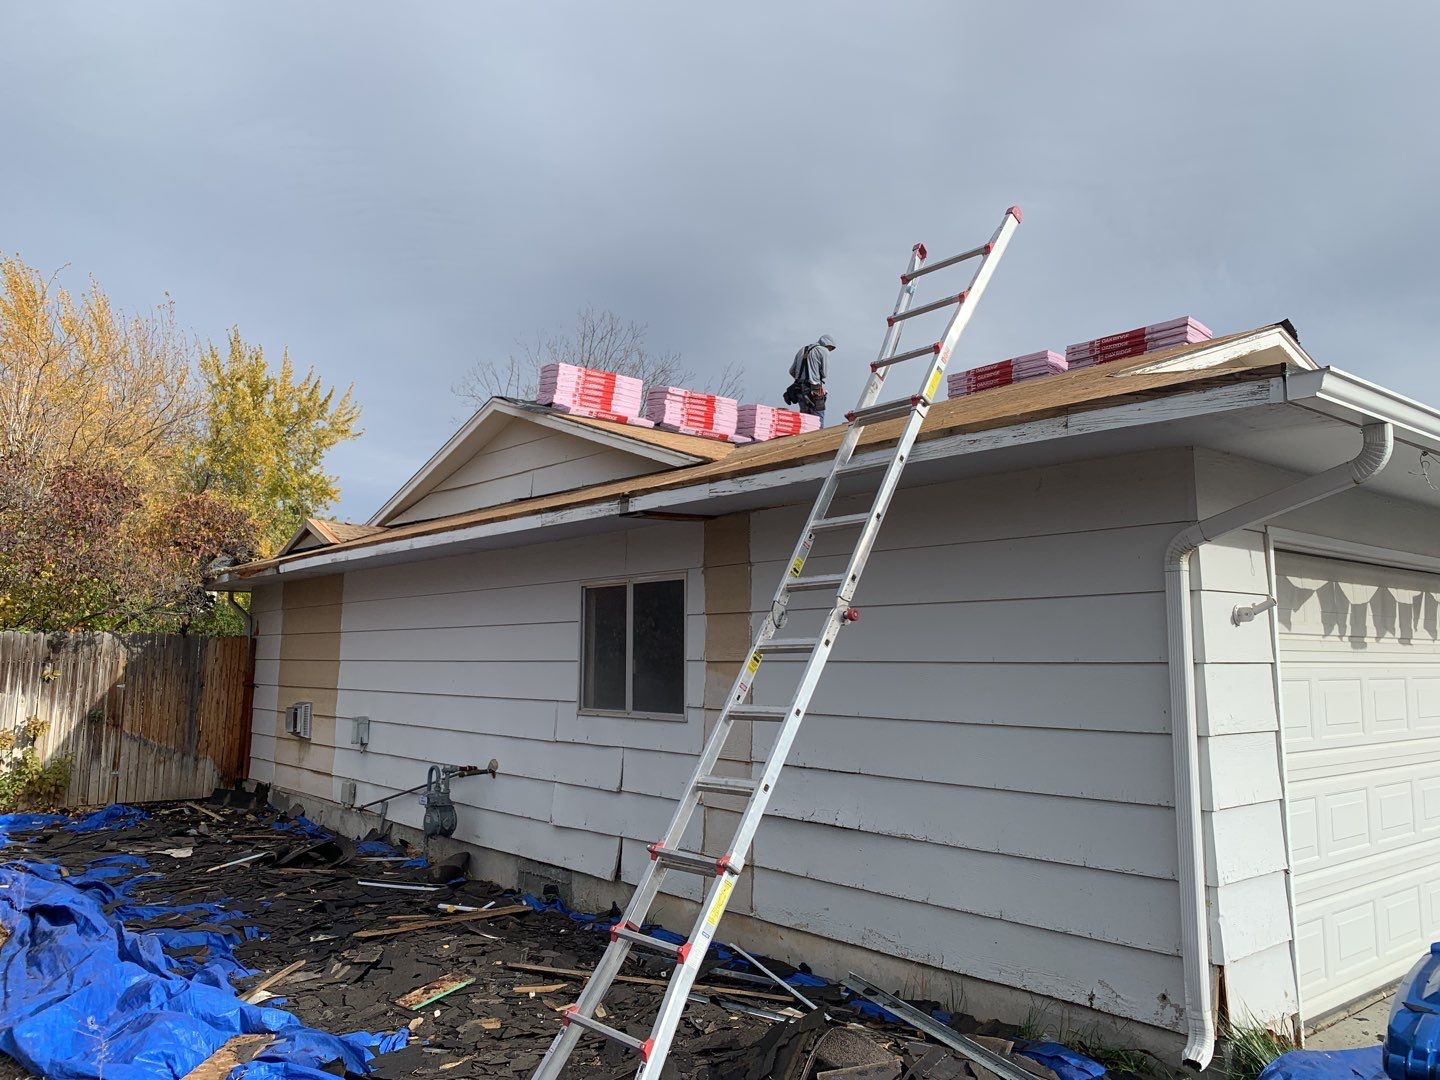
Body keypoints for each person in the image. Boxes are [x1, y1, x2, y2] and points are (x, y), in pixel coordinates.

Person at [785, 334, 836, 418]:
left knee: (805, 418)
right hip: (815, 389)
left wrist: (802, 379)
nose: (830, 350)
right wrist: (814, 377)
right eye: (831, 348)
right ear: (828, 344)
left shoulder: (802, 350)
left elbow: (791, 371)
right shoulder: (824, 350)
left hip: (799, 388)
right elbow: (824, 373)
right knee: (818, 417)